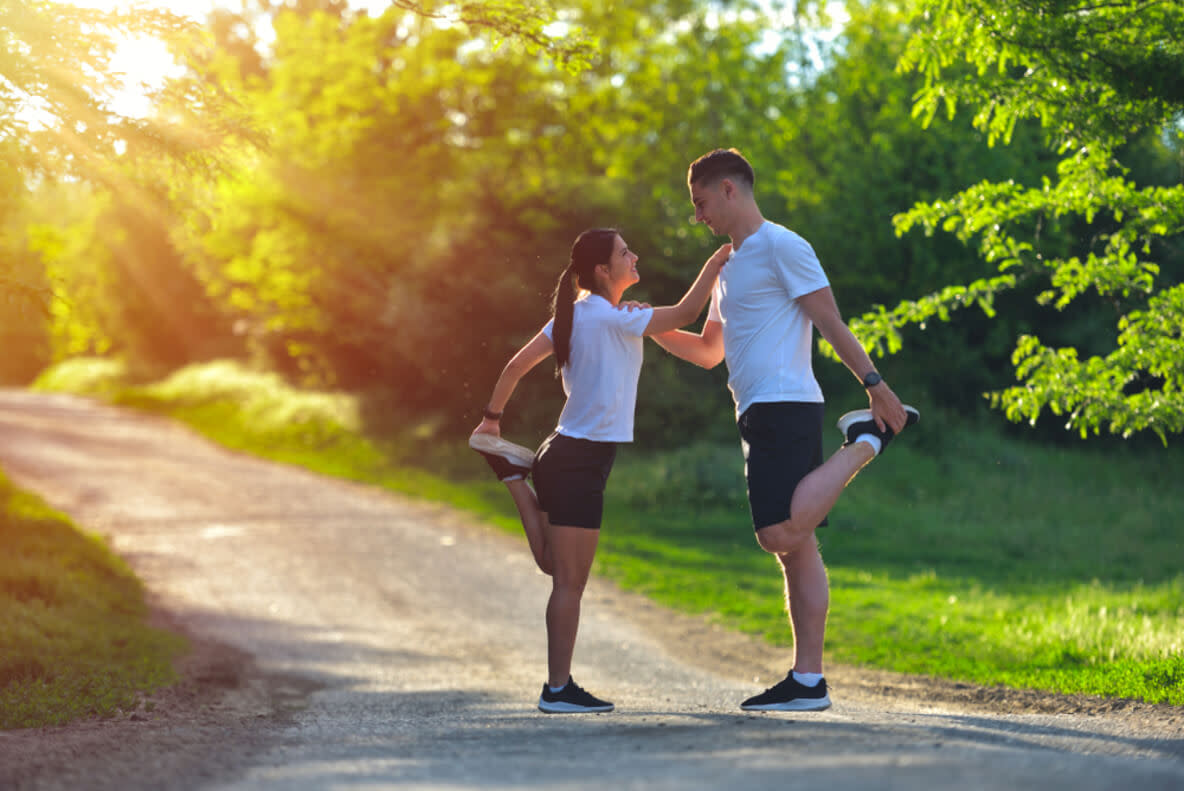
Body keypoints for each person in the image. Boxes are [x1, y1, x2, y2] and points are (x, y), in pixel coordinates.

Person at [651, 148, 919, 712]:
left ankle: (867, 440)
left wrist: (876, 384)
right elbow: (707, 351)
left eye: (700, 203)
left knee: (777, 532)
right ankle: (807, 681)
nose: (697, 216)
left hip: (785, 404)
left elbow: (829, 321)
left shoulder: (782, 246)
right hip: (754, 409)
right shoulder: (731, 266)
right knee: (795, 549)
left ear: (730, 189)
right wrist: (644, 328)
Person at [470, 228, 730, 714]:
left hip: (565, 455)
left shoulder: (578, 318)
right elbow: (687, 314)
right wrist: (717, 264)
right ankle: (557, 690)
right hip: (578, 462)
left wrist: (492, 418)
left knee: (557, 568)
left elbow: (512, 367)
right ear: (602, 271)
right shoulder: (613, 319)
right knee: (567, 581)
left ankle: (510, 472)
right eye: (624, 253)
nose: (635, 255)